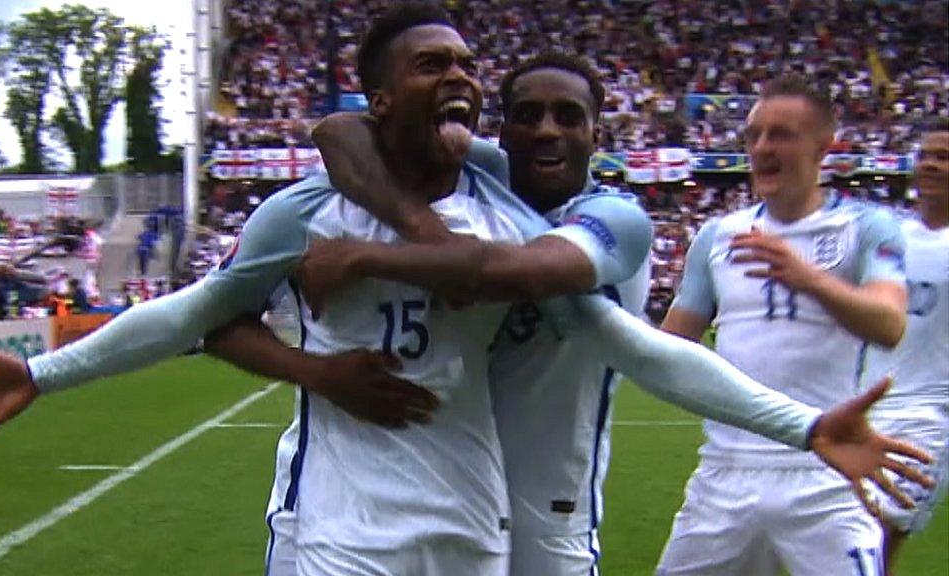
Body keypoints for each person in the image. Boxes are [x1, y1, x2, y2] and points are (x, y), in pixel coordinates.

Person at [0, 9, 930, 576]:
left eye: (464, 63)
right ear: (394, 100)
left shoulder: (559, 222)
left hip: (483, 522)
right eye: (434, 66)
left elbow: (635, 343)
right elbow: (194, 313)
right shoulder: (310, 206)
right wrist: (50, 374)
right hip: (336, 526)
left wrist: (803, 429)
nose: (462, 78)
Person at [209, 54, 929, 576]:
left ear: (597, 134)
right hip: (426, 503)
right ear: (501, 136)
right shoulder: (481, 189)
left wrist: (368, 257)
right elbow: (343, 131)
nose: (548, 131)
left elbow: (630, 343)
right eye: (527, 117)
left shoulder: (612, 216)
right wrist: (329, 361)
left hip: (551, 511)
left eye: (569, 117)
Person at [655, 76, 911, 575]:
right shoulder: (718, 237)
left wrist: (808, 278)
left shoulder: (867, 228)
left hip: (825, 471)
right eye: (754, 135)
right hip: (725, 476)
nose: (763, 148)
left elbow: (889, 323)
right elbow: (667, 350)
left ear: (824, 145)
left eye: (782, 135)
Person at [862, 118, 949, 574]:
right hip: (866, 406)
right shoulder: (891, 237)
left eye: (944, 157)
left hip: (928, 414)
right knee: (847, 541)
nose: (932, 165)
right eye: (926, 156)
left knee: (875, 540)